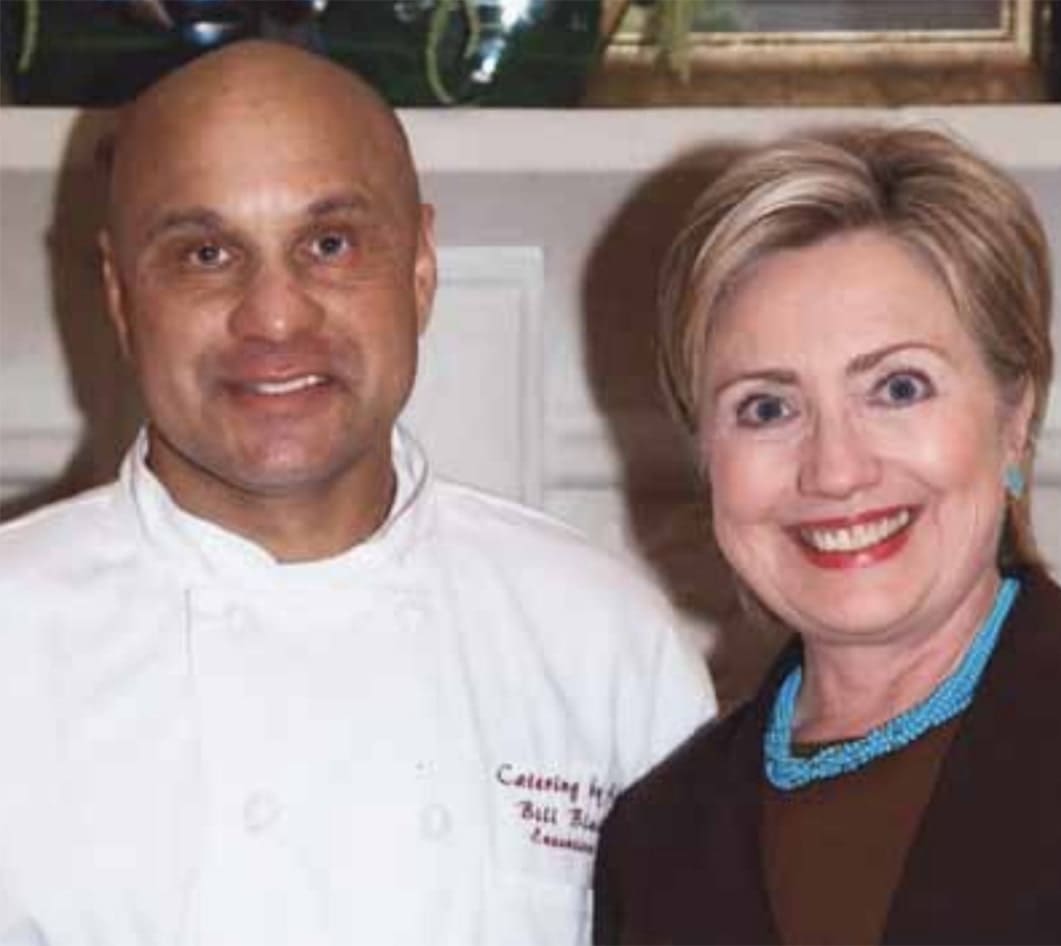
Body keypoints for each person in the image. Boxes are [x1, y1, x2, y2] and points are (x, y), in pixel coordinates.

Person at [0, 40, 714, 945]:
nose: (274, 316)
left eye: (329, 244)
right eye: (205, 252)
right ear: (119, 295)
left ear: (419, 267)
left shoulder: (603, 640)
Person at [592, 126, 1061, 945]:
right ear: (707, 456)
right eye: (767, 408)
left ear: (1014, 417)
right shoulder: (655, 840)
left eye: (898, 387)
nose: (836, 470)